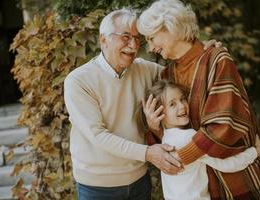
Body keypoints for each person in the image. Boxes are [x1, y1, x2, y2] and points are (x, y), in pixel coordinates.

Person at [137, 0, 260, 199]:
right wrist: (155, 126)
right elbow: (171, 136)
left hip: (234, 171)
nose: (150, 48)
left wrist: (182, 157)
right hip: (197, 182)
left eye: (151, 38)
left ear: (170, 26)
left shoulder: (218, 60)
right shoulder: (166, 76)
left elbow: (225, 125)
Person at [64, 9, 186, 200]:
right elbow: (98, 135)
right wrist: (148, 153)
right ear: (103, 39)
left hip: (139, 182)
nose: (133, 45)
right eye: (126, 37)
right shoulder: (78, 81)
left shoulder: (144, 69)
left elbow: (184, 74)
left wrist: (204, 52)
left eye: (138, 39)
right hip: (97, 188)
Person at [137, 80, 260, 200]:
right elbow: (226, 164)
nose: (182, 106)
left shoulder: (165, 138)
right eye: (172, 104)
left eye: (182, 99)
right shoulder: (188, 137)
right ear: (159, 114)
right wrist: (254, 152)